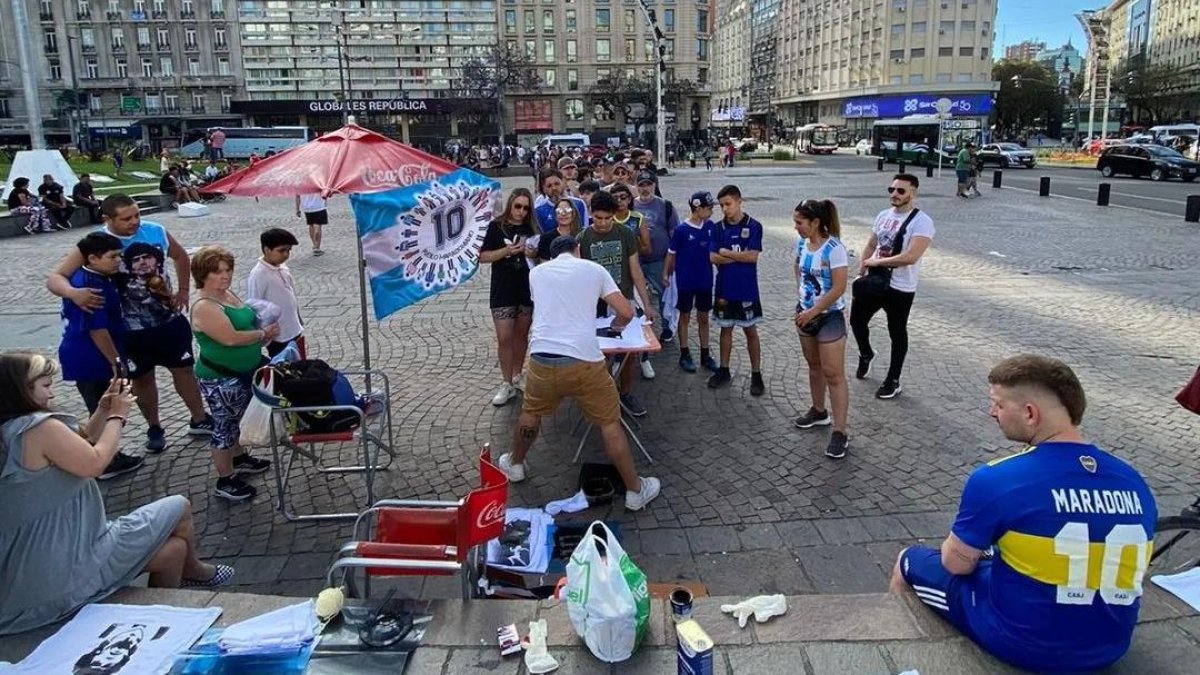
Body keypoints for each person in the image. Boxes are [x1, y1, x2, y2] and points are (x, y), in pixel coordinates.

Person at [891, 355, 1156, 672]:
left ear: (1030, 413)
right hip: (1111, 645)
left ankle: (899, 654)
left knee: (909, 561)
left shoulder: (997, 479)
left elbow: (955, 565)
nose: (992, 413)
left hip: (1024, 644)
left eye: (998, 404)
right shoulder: (1133, 481)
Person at [0, 352, 232, 636]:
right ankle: (195, 572)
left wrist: (103, 410)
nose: (51, 393)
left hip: (27, 576)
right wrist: (119, 416)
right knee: (179, 506)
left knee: (174, 551)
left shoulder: (9, 432)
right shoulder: (38, 428)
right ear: (20, 391)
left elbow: (81, 443)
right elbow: (95, 462)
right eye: (45, 386)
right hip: (71, 561)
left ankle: (160, 622)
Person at [495, 236, 661, 511]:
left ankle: (515, 464)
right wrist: (617, 327)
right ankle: (635, 490)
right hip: (584, 361)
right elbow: (626, 311)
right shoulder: (593, 269)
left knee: (531, 413)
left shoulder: (536, 273)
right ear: (578, 250)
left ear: (551, 255)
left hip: (542, 358)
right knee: (609, 422)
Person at [47, 194, 214, 454]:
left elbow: (181, 257)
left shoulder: (155, 230)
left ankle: (200, 418)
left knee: (183, 370)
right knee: (142, 379)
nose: (134, 222)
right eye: (126, 218)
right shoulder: (97, 244)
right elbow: (56, 277)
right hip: (129, 330)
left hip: (167, 321)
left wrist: (183, 290)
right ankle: (155, 427)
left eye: (137, 215)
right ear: (108, 219)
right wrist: (74, 293)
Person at [189, 247, 275, 501]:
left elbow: (245, 319)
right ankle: (225, 479)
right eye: (217, 271)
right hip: (221, 377)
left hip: (244, 370)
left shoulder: (225, 294)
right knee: (224, 425)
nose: (224, 276)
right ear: (203, 274)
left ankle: (239, 457)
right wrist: (263, 334)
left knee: (237, 419)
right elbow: (229, 338)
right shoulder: (205, 305)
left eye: (228, 270)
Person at [58, 232, 145, 480]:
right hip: (90, 357)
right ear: (93, 259)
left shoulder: (101, 276)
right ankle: (103, 460)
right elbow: (98, 330)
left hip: (95, 354)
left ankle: (111, 454)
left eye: (119, 255)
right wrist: (116, 361)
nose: (118, 260)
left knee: (103, 405)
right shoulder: (90, 285)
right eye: (113, 256)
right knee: (101, 406)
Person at [850, 173, 935, 400]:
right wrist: (861, 272)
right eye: (891, 190)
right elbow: (871, 244)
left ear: (913, 193)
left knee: (897, 332)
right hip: (875, 280)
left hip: (901, 286)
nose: (894, 195)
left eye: (900, 191)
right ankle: (866, 354)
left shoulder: (922, 221)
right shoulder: (883, 216)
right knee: (856, 321)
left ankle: (893, 379)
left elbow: (911, 256)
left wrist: (877, 262)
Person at [578, 190, 657, 416]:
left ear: (614, 215)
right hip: (594, 305)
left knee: (628, 351)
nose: (602, 223)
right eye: (598, 218)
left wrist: (647, 303)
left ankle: (626, 393)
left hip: (622, 299)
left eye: (607, 218)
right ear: (591, 214)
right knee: (599, 353)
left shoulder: (625, 234)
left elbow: (635, 271)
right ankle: (601, 393)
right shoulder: (582, 238)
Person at [790, 199, 850, 459]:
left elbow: (839, 287)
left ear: (815, 223)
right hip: (806, 315)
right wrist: (802, 301)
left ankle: (840, 431)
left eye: (799, 223)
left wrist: (814, 310)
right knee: (814, 366)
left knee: (834, 374)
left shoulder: (834, 248)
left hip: (829, 317)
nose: (796, 227)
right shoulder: (802, 243)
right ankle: (818, 411)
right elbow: (798, 269)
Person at [479, 189, 539, 407]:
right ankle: (505, 383)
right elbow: (483, 257)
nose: (521, 212)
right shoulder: (496, 226)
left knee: (521, 334)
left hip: (526, 285)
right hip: (503, 287)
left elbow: (539, 254)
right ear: (510, 204)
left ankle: (516, 375)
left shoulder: (531, 227)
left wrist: (530, 253)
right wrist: (507, 251)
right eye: (518, 206)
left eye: (525, 208)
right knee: (505, 337)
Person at [708, 185, 765, 396]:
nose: (724, 209)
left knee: (751, 331)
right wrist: (732, 256)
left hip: (747, 289)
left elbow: (752, 256)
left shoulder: (754, 226)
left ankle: (756, 373)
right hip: (724, 288)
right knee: (725, 330)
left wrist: (726, 253)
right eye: (721, 205)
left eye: (728, 204)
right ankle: (724, 370)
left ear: (739, 201)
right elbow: (713, 258)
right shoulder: (717, 228)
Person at [663, 191, 719, 374]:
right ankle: (684, 353)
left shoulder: (711, 226)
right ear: (698, 208)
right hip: (685, 280)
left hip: (705, 279)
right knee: (684, 316)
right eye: (709, 208)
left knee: (704, 317)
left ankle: (705, 354)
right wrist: (666, 274)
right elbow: (671, 254)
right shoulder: (681, 230)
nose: (711, 211)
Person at [632, 170, 679, 344]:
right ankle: (639, 328)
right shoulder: (631, 205)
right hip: (636, 261)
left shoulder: (666, 206)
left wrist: (672, 260)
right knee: (637, 297)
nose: (645, 188)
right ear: (636, 186)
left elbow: (675, 234)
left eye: (648, 184)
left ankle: (667, 327)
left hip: (659, 260)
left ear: (655, 185)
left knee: (664, 295)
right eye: (641, 185)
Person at [246, 228, 306, 359]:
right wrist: (263, 332)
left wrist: (298, 318)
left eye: (288, 250)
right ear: (267, 250)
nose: (286, 254)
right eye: (281, 250)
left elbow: (291, 295)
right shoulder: (259, 274)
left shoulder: (283, 268)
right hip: (278, 335)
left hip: (294, 328)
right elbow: (254, 304)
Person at [537, 196, 584, 263]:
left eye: (567, 210)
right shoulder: (546, 238)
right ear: (555, 215)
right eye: (559, 211)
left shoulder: (582, 235)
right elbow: (544, 264)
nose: (563, 214)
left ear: (573, 213)